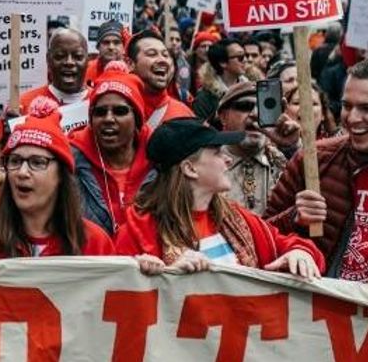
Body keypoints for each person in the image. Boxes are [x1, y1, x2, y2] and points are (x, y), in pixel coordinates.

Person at [265, 58, 368, 286]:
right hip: (320, 314)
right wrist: (295, 218)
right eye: (347, 105)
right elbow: (262, 234)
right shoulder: (314, 160)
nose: (352, 118)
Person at [117, 118, 323, 278]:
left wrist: (301, 253)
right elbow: (121, 295)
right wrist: (163, 276)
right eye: (216, 152)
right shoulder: (138, 232)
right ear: (189, 168)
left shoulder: (234, 217)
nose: (227, 158)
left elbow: (295, 246)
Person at [0, 115, 115, 276]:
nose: (22, 172)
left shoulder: (94, 242)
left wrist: (143, 271)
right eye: (15, 161)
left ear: (62, 175)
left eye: (37, 162)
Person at [69, 70, 153, 235]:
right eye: (100, 112)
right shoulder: (69, 163)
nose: (108, 119)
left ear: (137, 118)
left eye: (120, 111)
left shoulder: (162, 163)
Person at [212, 81, 287, 215]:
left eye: (264, 107)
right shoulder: (206, 164)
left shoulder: (284, 163)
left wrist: (293, 146)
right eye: (245, 106)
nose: (255, 114)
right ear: (223, 117)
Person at [126, 30, 194, 129]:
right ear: (130, 64)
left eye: (165, 55)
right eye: (152, 54)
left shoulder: (183, 115)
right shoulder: (116, 110)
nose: (162, 60)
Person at [20, 28, 90, 112]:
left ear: (87, 60)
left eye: (77, 56)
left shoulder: (102, 102)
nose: (69, 62)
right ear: (48, 59)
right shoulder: (23, 105)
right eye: (60, 56)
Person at [194, 38, 248, 120]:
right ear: (223, 62)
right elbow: (201, 129)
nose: (245, 60)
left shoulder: (251, 89)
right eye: (240, 57)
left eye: (245, 56)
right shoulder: (205, 97)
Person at [86, 20, 126, 87]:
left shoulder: (133, 72)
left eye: (116, 42)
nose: (111, 47)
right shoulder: (86, 69)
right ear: (98, 46)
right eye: (106, 42)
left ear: (124, 46)